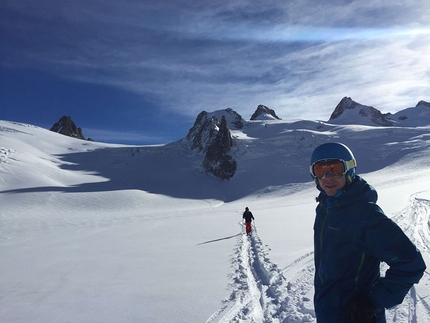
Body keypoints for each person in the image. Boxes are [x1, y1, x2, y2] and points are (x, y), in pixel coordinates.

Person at [310, 142, 426, 323]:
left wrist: (372, 302)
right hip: (328, 311)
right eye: (320, 170)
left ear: (349, 170)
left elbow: (410, 262)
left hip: (357, 317)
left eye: (335, 169)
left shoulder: (366, 216)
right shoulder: (326, 208)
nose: (327, 177)